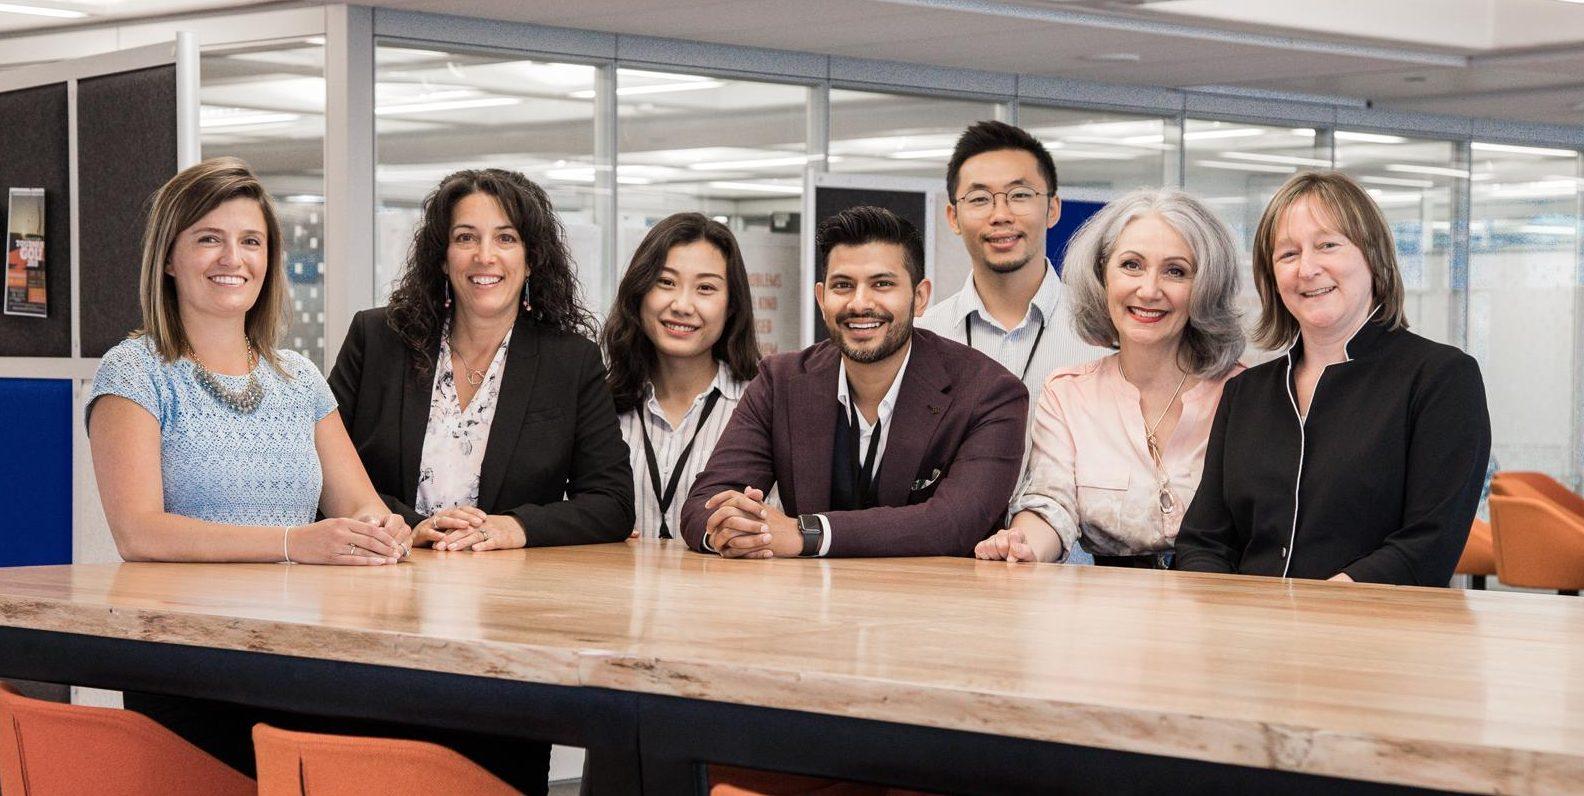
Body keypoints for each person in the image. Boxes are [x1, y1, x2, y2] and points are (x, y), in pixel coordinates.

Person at [85, 156, 411, 779]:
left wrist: (382, 529)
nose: (232, 258)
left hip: (302, 651)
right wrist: (295, 543)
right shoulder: (135, 372)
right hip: (188, 657)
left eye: (250, 241)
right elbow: (139, 532)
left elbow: (361, 504)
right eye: (209, 238)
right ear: (168, 259)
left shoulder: (299, 376)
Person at [1173, 171, 1490, 585]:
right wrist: (1220, 610)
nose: (1307, 268)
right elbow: (1204, 541)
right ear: (1272, 277)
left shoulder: (1441, 379)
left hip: (1374, 634)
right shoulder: (1245, 392)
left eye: (1327, 245)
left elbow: (1429, 543)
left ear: (1373, 257)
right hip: (1249, 636)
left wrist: (1321, 608)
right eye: (1287, 254)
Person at [679, 206, 1027, 558]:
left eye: (882, 284)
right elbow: (702, 506)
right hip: (807, 606)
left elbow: (953, 524)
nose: (860, 303)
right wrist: (736, 529)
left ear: (919, 297)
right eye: (843, 286)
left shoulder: (990, 393)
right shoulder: (780, 382)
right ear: (821, 298)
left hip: (934, 606)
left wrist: (807, 534)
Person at [330, 168, 632, 553]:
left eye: (505, 238)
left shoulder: (571, 362)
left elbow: (613, 503)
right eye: (465, 238)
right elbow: (320, 473)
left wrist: (517, 527)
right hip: (383, 579)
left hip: (508, 594)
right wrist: (413, 527)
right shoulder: (376, 340)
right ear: (442, 257)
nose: (484, 256)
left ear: (531, 259)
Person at [975, 188, 1245, 567]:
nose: (1149, 290)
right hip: (1107, 610)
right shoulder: (1069, 393)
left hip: (1221, 603)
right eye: (1131, 265)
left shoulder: (1245, 394)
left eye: (1175, 271)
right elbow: (1050, 504)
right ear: (1102, 276)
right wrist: (1023, 547)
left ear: (1206, 286)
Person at [601, 213, 764, 540]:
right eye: (666, 282)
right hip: (616, 588)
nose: (682, 305)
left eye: (705, 288)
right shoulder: (596, 404)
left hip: (727, 589)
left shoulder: (762, 405)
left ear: (731, 305)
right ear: (639, 291)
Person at [919, 119, 1106, 395]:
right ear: (953, 217)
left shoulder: (1105, 334)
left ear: (1052, 209)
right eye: (980, 198)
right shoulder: (923, 339)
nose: (1001, 215)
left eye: (1019, 195)